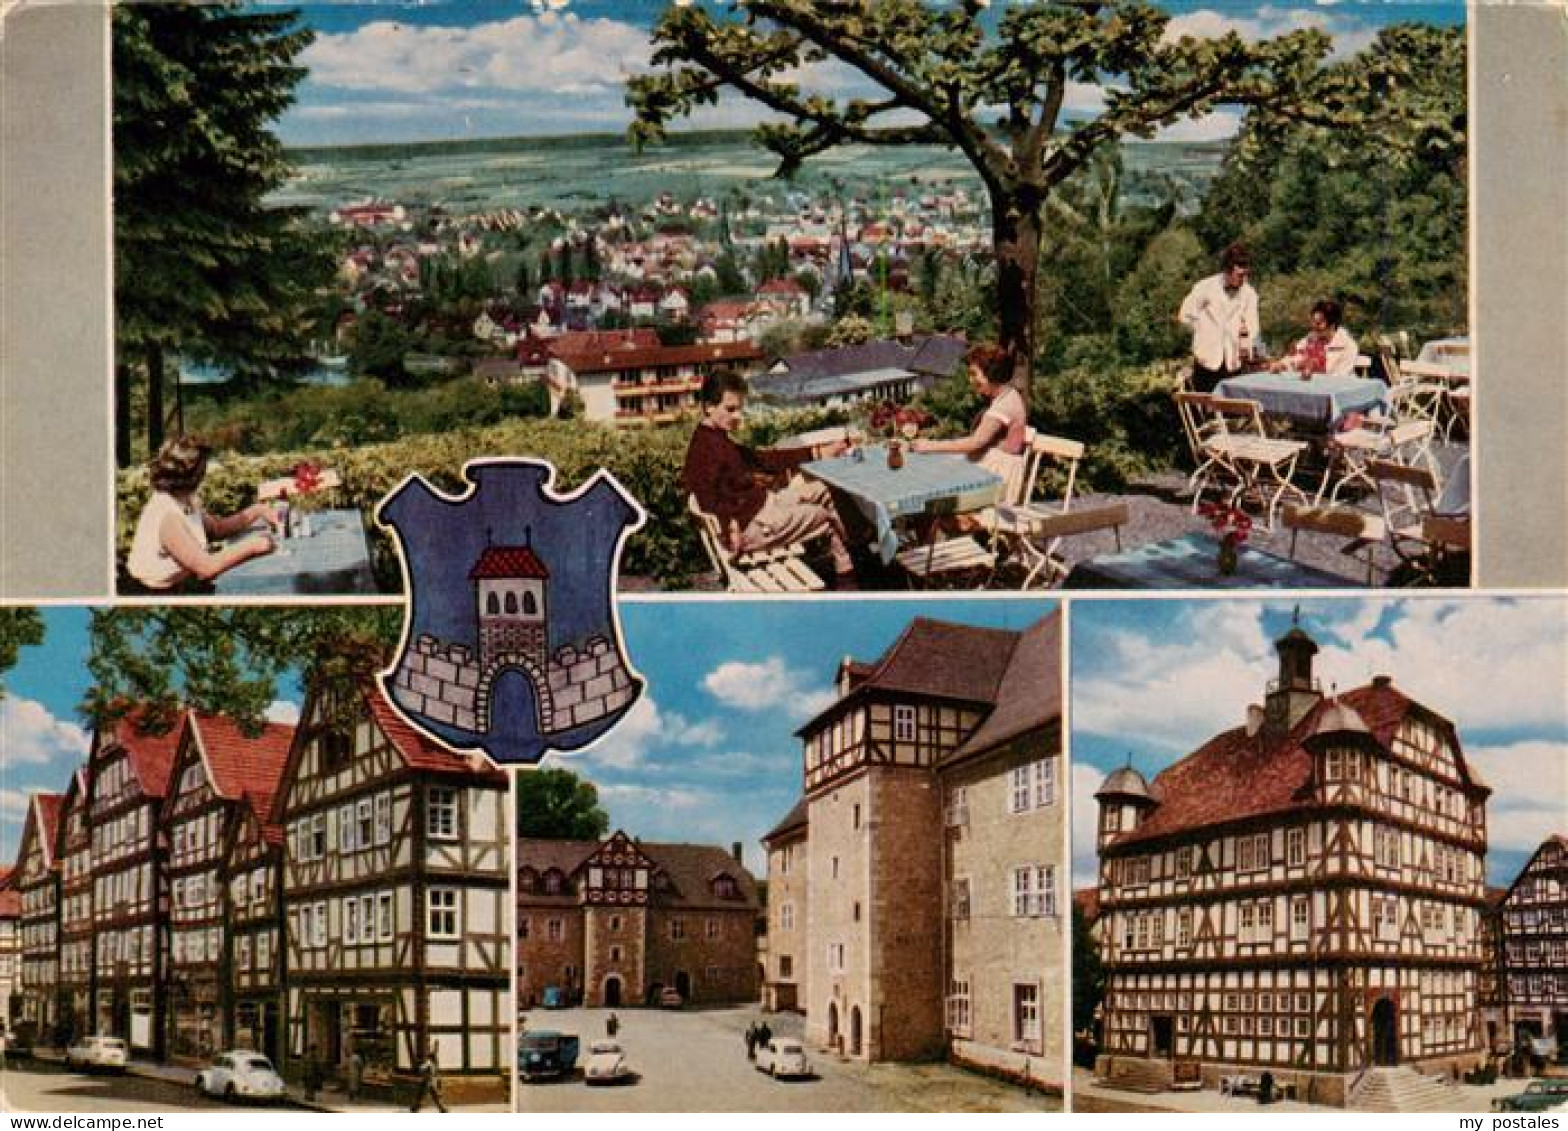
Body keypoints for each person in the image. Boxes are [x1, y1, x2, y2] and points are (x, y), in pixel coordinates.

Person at [680, 368, 857, 587]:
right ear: (708, 407)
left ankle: (854, 550)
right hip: (752, 526)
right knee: (824, 516)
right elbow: (706, 497)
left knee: (823, 490)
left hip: (763, 505)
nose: (737, 416)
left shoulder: (717, 439)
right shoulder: (704, 450)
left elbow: (762, 459)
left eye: (740, 409)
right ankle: (848, 580)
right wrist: (729, 525)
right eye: (730, 409)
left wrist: (817, 452)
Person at [125, 434, 279, 593]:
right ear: (194, 472)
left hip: (178, 586)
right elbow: (206, 567)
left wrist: (258, 510)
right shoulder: (168, 515)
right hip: (155, 595)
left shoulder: (185, 498)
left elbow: (217, 528)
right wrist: (253, 546)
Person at [909, 342, 1030, 497]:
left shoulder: (1003, 406)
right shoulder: (1008, 395)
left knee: (936, 479)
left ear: (991, 373)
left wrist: (930, 446)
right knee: (939, 468)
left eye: (974, 374)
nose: (970, 380)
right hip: (993, 464)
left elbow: (974, 443)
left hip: (999, 474)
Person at [1177, 242, 1261, 392]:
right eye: (1240, 275)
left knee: (1232, 411)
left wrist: (1248, 346)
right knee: (1204, 409)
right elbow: (1185, 315)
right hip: (1206, 361)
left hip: (1233, 362)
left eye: (1247, 274)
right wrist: (1203, 333)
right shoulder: (1205, 287)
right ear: (1228, 270)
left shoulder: (1249, 294)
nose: (1244, 279)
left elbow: (1253, 327)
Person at [1269, 299, 1358, 378]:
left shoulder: (1348, 346)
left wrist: (1311, 368)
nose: (1314, 326)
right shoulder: (1311, 338)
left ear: (1332, 325)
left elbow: (1339, 379)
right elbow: (1294, 357)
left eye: (1318, 323)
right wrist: (1282, 365)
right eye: (1313, 322)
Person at [409, 1042, 447, 1113]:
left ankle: (415, 1108)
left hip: (427, 1080)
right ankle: (442, 1108)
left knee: (422, 1095)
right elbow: (424, 1068)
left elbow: (422, 1069)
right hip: (429, 1080)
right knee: (431, 1095)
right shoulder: (431, 1061)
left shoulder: (430, 1061)